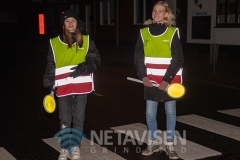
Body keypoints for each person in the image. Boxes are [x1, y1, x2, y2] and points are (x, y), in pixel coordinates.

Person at [43, 9, 101, 160]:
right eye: (67, 21)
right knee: (64, 118)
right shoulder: (55, 43)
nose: (70, 23)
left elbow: (96, 60)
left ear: (77, 23)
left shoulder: (87, 41)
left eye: (73, 21)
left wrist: (83, 67)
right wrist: (49, 83)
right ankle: (64, 147)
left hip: (81, 87)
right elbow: (51, 64)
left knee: (79, 117)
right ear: (63, 24)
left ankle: (75, 146)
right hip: (63, 87)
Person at [134, 1, 184, 159]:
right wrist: (143, 76)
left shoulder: (172, 32)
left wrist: (167, 80)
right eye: (154, 10)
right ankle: (154, 142)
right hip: (150, 81)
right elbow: (138, 57)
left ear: (166, 14)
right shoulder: (144, 32)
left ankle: (170, 145)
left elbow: (178, 59)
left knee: (170, 112)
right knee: (150, 114)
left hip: (169, 82)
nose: (156, 13)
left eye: (160, 11)